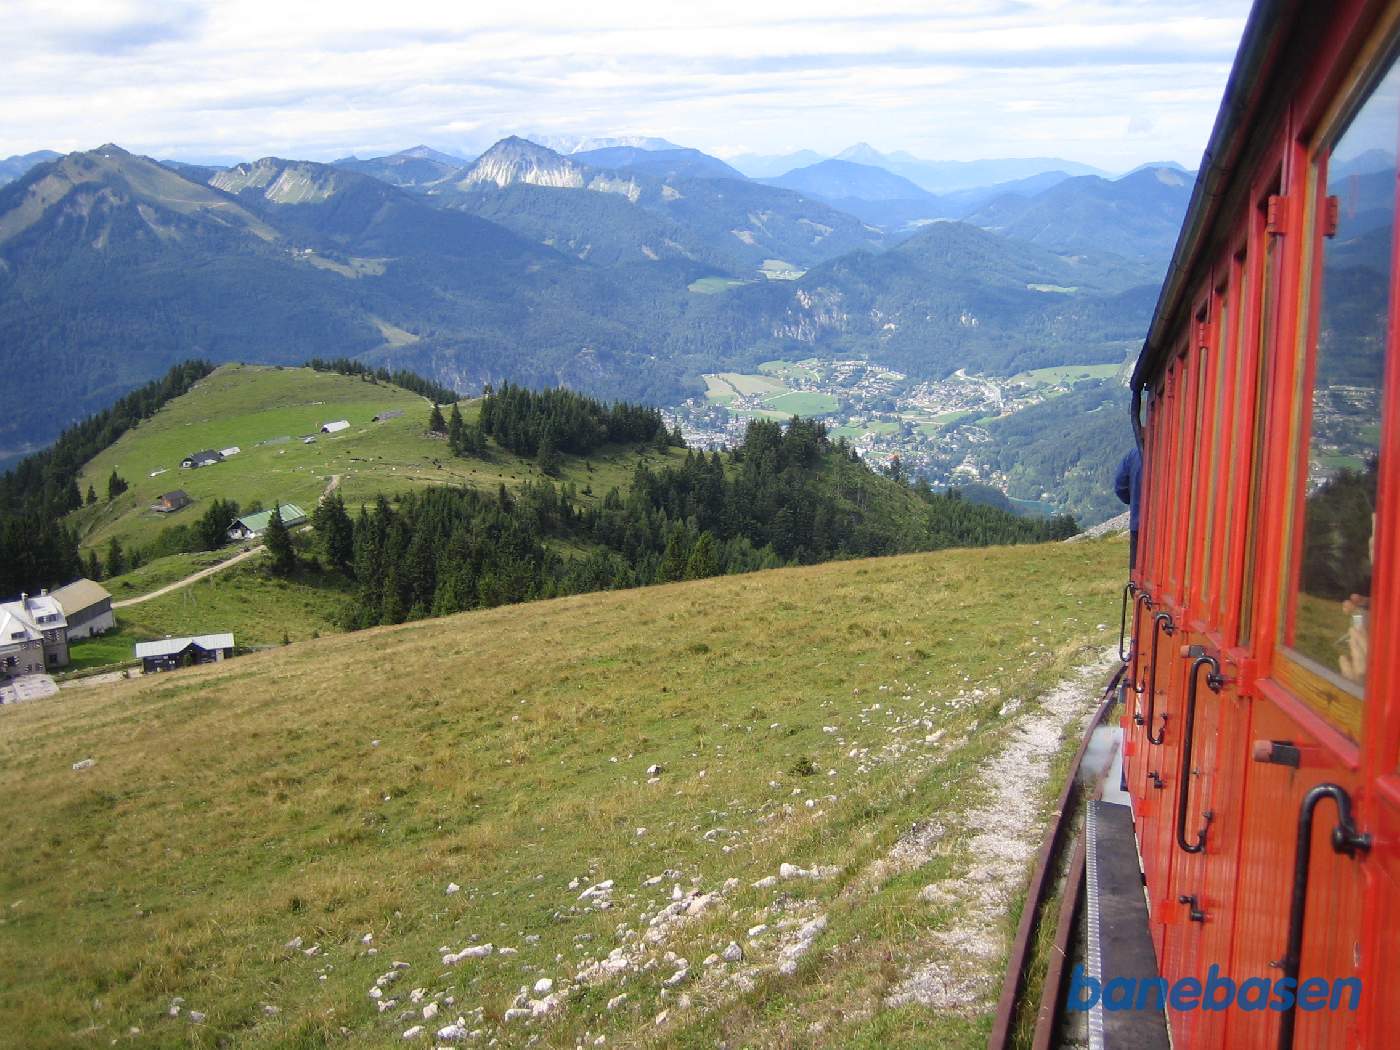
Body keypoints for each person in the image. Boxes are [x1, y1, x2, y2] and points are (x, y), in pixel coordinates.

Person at [1114, 445, 1142, 571]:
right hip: (1172, 529)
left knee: (1138, 571)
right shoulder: (1180, 451)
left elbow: (1120, 486)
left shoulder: (1134, 454)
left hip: (1139, 523)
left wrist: (1134, 502)